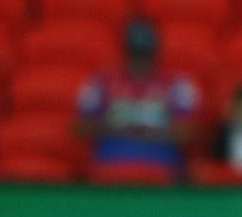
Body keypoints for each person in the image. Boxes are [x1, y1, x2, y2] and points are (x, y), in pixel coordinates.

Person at [75, 18, 200, 180]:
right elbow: (79, 128)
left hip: (162, 159)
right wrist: (124, 128)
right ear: (126, 52)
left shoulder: (178, 84)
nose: (141, 61)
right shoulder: (102, 82)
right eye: (136, 54)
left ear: (156, 52)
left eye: (145, 55)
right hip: (112, 157)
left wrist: (146, 131)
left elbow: (188, 132)